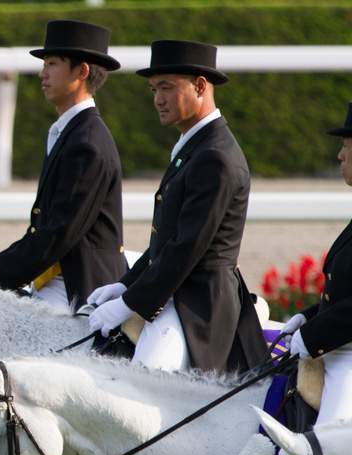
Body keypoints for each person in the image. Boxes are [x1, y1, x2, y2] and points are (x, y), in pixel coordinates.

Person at [88, 40, 266, 374]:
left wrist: (127, 304)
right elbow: (167, 241)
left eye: (167, 88)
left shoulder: (215, 156)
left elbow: (186, 249)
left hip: (198, 306)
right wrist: (126, 284)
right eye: (154, 89)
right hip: (173, 292)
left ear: (200, 86)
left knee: (143, 383)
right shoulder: (194, 146)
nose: (157, 99)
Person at [0, 20, 127, 312]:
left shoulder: (86, 143)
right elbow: (42, 230)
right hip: (54, 276)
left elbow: (58, 234)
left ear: (81, 71)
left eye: (52, 63)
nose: (42, 73)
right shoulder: (70, 132)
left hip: (80, 286)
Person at [280, 101, 352, 425]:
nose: (340, 155)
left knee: (321, 454)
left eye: (346, 146)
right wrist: (307, 317)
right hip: (336, 349)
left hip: (348, 358)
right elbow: (342, 293)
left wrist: (313, 335)